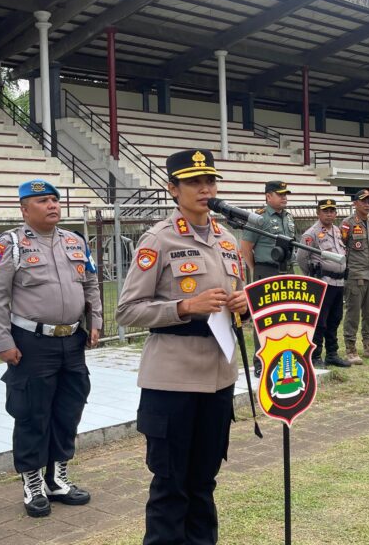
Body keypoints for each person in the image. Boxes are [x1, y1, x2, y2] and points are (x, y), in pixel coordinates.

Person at [115, 149, 250, 545]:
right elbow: (127, 310)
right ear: (173, 189)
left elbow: (237, 301)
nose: (205, 189)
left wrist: (244, 305)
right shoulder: (158, 239)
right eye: (193, 182)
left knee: (204, 482)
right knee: (171, 485)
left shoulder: (227, 240)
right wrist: (184, 307)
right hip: (172, 380)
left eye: (210, 181)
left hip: (218, 378)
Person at [0, 178, 102, 518]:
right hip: (31, 343)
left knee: (69, 409)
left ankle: (57, 479)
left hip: (72, 340)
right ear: (24, 209)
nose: (52, 205)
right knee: (32, 413)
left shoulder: (74, 241)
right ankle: (33, 483)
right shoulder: (10, 244)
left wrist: (95, 321)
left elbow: (90, 283)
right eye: (42, 201)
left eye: (54, 200)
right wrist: (2, 342)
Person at [240, 180, 296, 376]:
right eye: (280, 194)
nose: (284, 197)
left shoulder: (288, 217)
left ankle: (283, 357)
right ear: (268, 196)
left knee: (287, 316)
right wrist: (256, 269)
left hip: (287, 270)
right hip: (266, 270)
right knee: (264, 317)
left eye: (285, 194)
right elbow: (246, 247)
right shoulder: (259, 218)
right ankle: (261, 361)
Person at [297, 199, 352, 368]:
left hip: (339, 282)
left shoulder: (337, 231)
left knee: (335, 318)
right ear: (318, 213)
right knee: (320, 321)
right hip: (323, 283)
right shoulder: (311, 234)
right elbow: (301, 258)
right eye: (325, 211)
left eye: (332, 211)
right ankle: (315, 355)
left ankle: (332, 354)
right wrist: (313, 276)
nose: (329, 214)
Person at [340, 189, 369, 362]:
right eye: (363, 201)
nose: (367, 204)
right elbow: (342, 247)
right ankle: (350, 349)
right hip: (355, 274)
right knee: (353, 314)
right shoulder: (348, 223)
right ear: (355, 203)